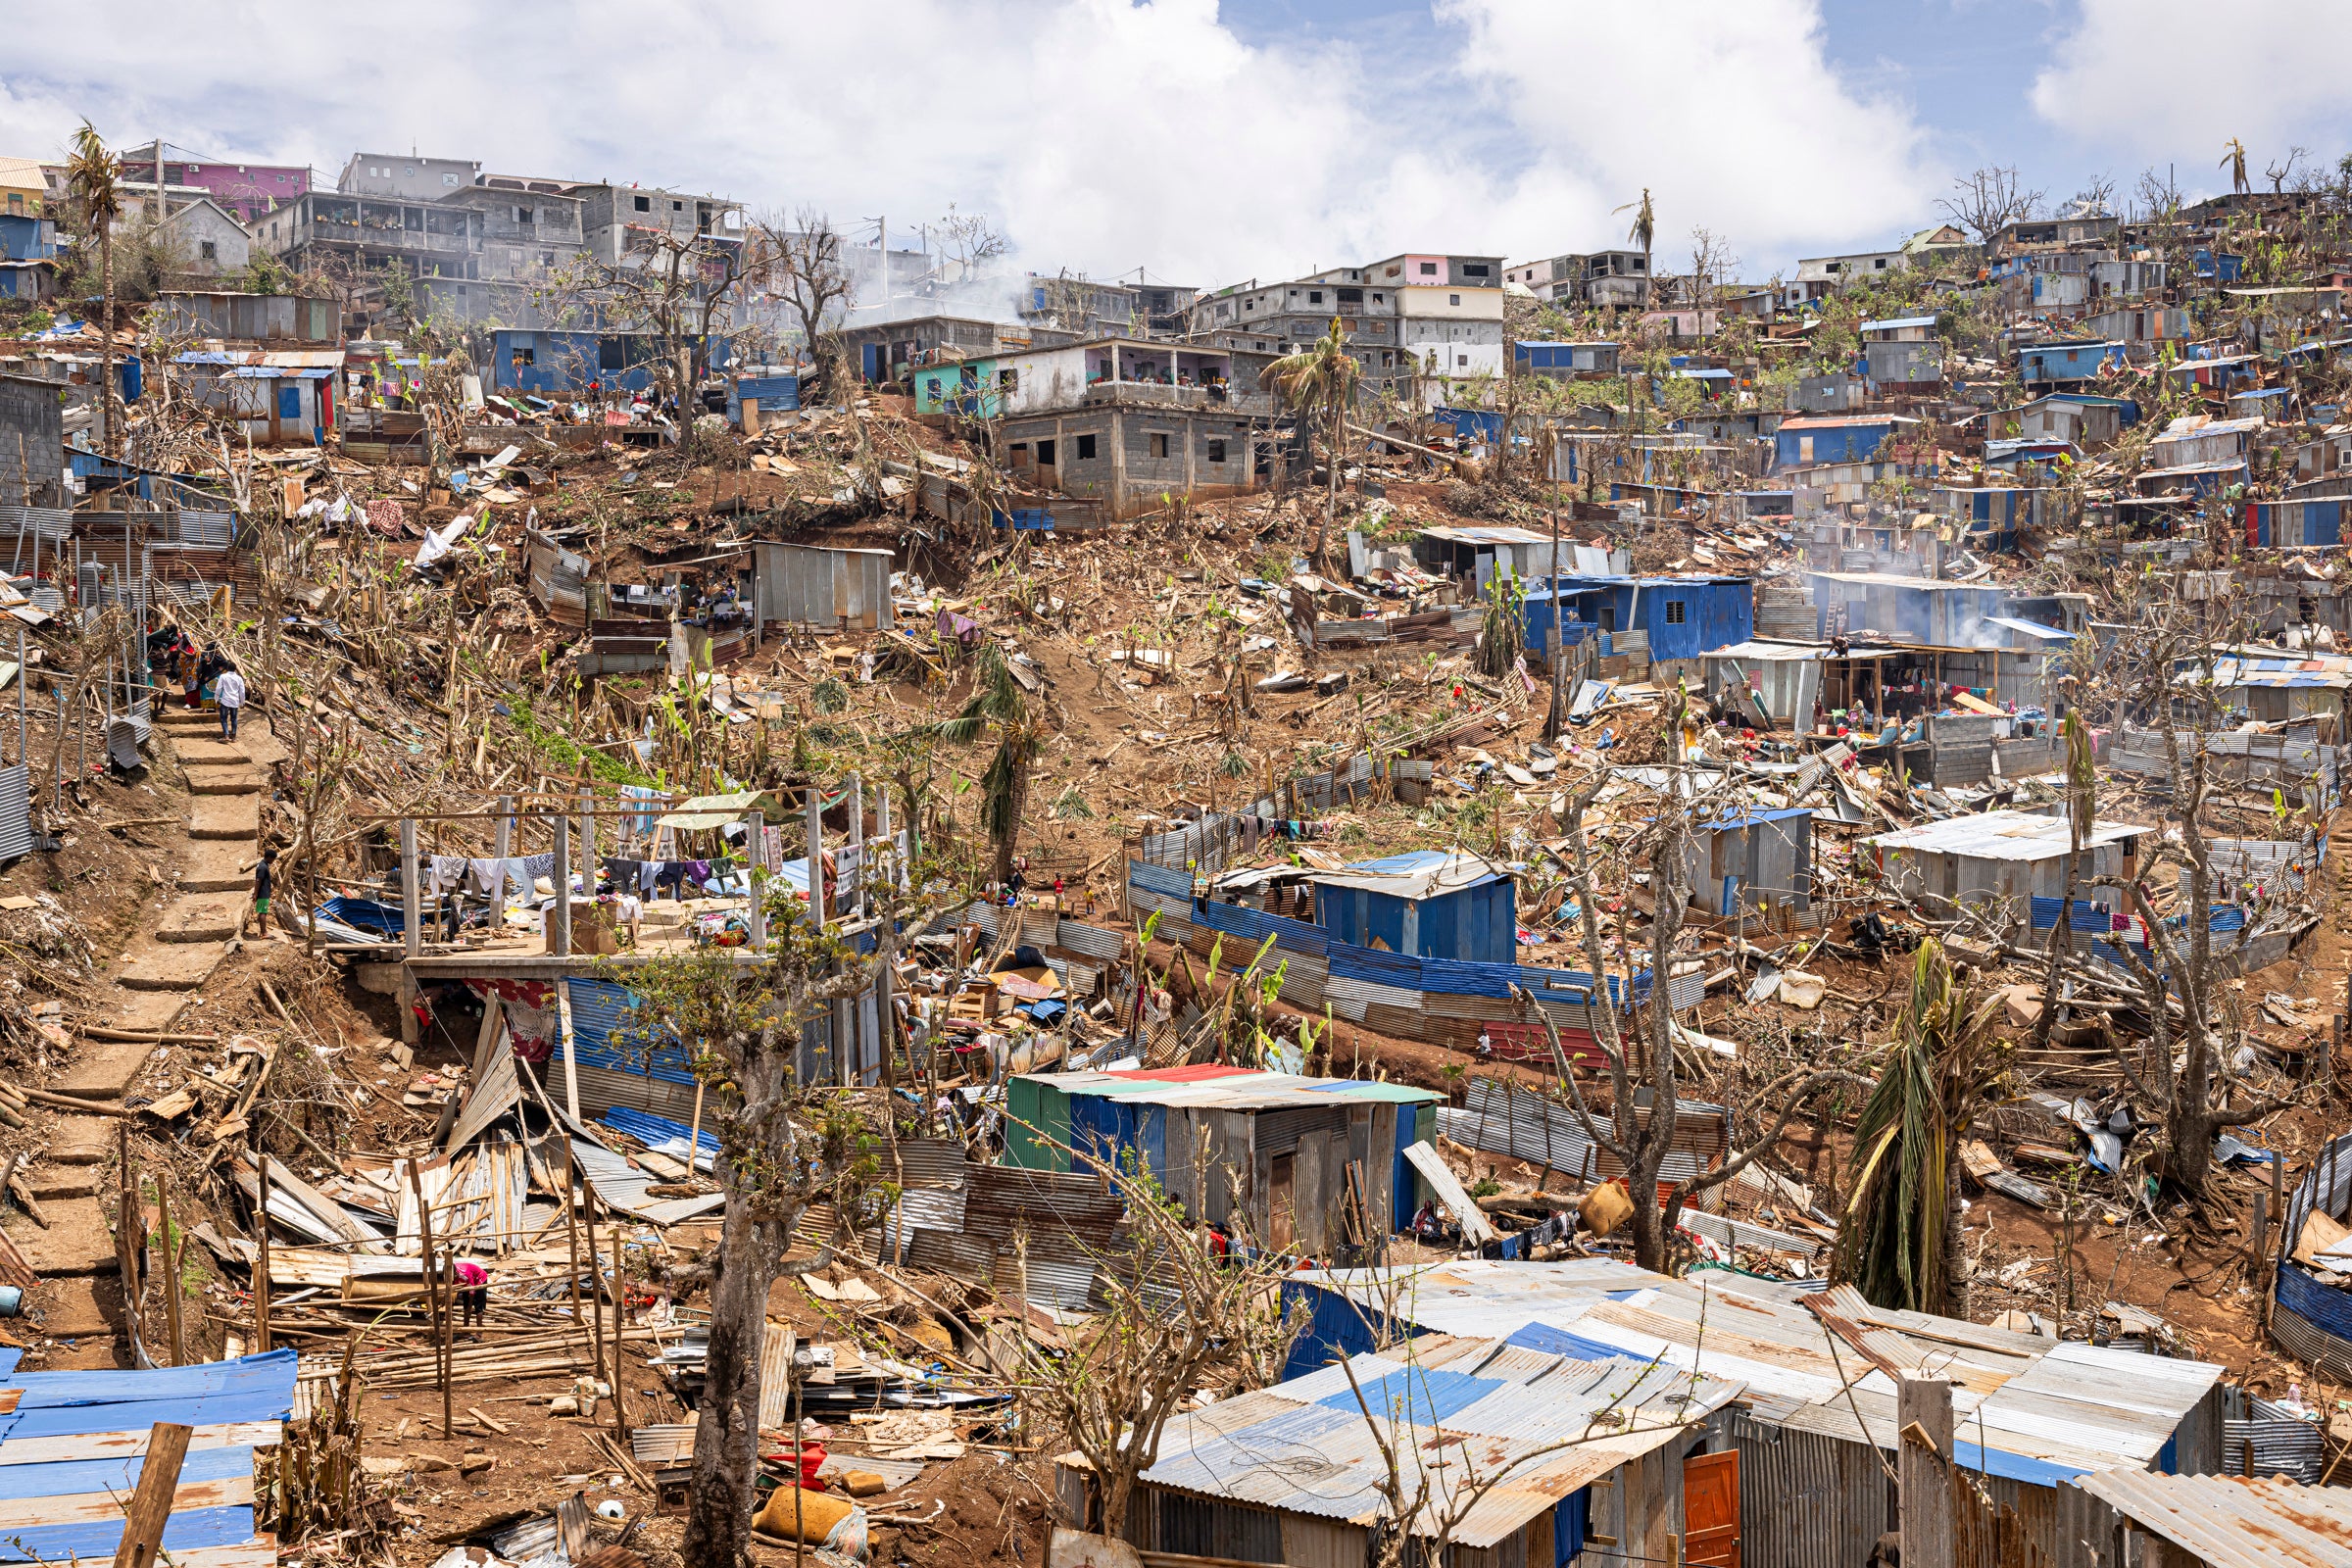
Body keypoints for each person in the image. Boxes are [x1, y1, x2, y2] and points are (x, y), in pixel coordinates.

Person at [453, 1258, 489, 1335]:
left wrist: (470, 1306)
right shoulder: (450, 1271)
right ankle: (466, 1331)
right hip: (468, 1283)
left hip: (480, 1280)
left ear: (456, 1274)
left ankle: (479, 1334)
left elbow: (472, 1291)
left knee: (478, 1307)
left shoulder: (464, 1275)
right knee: (466, 1307)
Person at [214, 662, 246, 740]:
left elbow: (218, 688)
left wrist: (216, 699)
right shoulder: (239, 678)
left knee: (223, 718)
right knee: (234, 718)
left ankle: (226, 735)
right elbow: (242, 691)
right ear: (235, 669)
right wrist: (242, 702)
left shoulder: (223, 676)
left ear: (227, 668)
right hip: (235, 701)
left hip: (225, 700)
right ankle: (234, 737)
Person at [248, 847, 274, 938]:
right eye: (273, 859)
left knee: (261, 912)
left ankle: (263, 931)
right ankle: (264, 933)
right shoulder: (263, 867)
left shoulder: (262, 864)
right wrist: (255, 893)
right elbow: (258, 880)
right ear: (269, 857)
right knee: (263, 913)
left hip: (262, 893)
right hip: (263, 894)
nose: (273, 861)